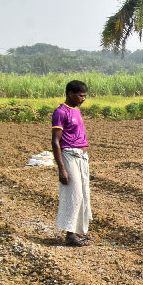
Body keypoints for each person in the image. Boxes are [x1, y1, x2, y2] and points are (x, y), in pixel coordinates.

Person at [51, 80, 92, 247]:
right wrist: (62, 169)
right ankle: (69, 235)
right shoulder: (60, 112)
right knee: (74, 194)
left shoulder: (76, 110)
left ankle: (78, 232)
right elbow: (55, 141)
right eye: (80, 95)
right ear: (70, 93)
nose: (83, 98)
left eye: (85, 96)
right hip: (69, 155)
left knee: (83, 194)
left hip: (82, 157)